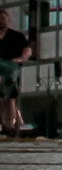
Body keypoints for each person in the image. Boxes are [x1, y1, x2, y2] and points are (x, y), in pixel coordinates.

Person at [0, 8, 32, 138]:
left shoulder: (17, 36)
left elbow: (27, 51)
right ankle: (11, 125)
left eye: (3, 19)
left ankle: (10, 126)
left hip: (11, 68)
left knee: (10, 98)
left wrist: (20, 59)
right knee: (5, 99)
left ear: (8, 20)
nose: (1, 21)